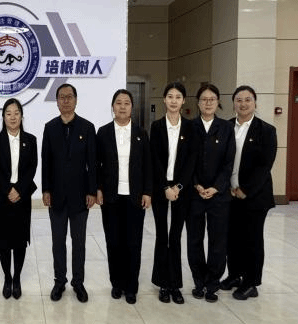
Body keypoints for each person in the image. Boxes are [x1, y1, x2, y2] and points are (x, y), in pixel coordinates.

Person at [220, 85, 277, 300]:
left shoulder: (266, 130)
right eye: (239, 100)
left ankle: (251, 282)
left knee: (252, 239)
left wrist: (246, 190)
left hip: (254, 196)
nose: (243, 104)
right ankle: (235, 275)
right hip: (229, 193)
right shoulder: (226, 126)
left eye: (247, 100)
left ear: (255, 103)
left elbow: (265, 165)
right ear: (233, 103)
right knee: (232, 238)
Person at [96, 88, 153, 305]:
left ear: (132, 108)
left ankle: (131, 286)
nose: (122, 106)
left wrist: (147, 192)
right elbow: (96, 164)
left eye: (126, 103)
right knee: (113, 242)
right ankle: (117, 283)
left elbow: (147, 165)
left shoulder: (141, 133)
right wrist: (98, 188)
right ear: (113, 107)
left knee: (133, 243)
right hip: (111, 197)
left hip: (134, 197)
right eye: (118, 103)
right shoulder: (103, 132)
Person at [42, 83, 96, 303]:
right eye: (61, 97)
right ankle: (59, 281)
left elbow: (92, 163)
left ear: (76, 100)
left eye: (69, 97)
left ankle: (78, 283)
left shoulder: (87, 127)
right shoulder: (50, 127)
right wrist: (46, 189)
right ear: (56, 101)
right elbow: (46, 161)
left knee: (79, 242)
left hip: (80, 196)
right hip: (56, 195)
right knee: (58, 242)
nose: (65, 100)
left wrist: (92, 191)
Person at [186, 83, 235, 303]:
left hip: (219, 195)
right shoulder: (189, 127)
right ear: (197, 103)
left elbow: (229, 162)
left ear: (218, 102)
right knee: (194, 240)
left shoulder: (226, 128)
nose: (208, 103)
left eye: (212, 99)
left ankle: (213, 283)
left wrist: (216, 187)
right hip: (194, 194)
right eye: (204, 99)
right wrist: (196, 184)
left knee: (218, 240)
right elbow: (186, 162)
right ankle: (199, 281)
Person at [149, 81, 196, 305]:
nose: (174, 101)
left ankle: (175, 284)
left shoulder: (191, 128)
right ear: (164, 100)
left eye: (178, 97)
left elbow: (191, 161)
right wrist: (165, 187)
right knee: (162, 235)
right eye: (170, 96)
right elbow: (155, 159)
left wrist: (178, 187)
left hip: (181, 189)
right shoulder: (156, 126)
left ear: (183, 100)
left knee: (175, 236)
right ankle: (162, 283)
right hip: (161, 188)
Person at [0, 98, 38, 300]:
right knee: (3, 241)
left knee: (19, 241)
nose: (12, 117)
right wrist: (8, 189)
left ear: (21, 116)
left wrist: (19, 189)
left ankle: (16, 278)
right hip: (2, 197)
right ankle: (7, 278)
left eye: (16, 113)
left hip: (22, 197)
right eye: (8, 113)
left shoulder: (31, 140)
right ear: (3, 117)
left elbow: (32, 168)